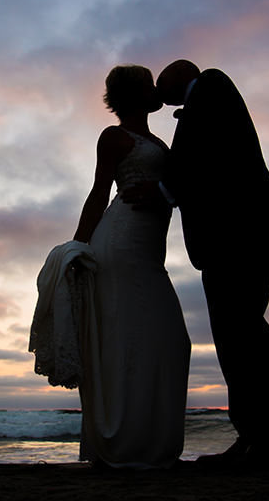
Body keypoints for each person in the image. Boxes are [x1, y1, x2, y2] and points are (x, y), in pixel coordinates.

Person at [130, 60, 269, 469]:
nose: (157, 89)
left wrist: (165, 189)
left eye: (159, 80)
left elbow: (205, 154)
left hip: (239, 231)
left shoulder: (213, 85)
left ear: (180, 71)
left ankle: (267, 441)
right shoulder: (201, 105)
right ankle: (255, 436)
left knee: (243, 331)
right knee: (235, 334)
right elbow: (203, 154)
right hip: (228, 237)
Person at [71, 64, 191, 468]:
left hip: (149, 251)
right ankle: (125, 443)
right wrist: (77, 249)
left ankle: (149, 442)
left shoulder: (158, 138)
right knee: (129, 337)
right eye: (147, 82)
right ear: (131, 94)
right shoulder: (115, 137)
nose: (156, 85)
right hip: (121, 243)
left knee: (168, 340)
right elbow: (98, 193)